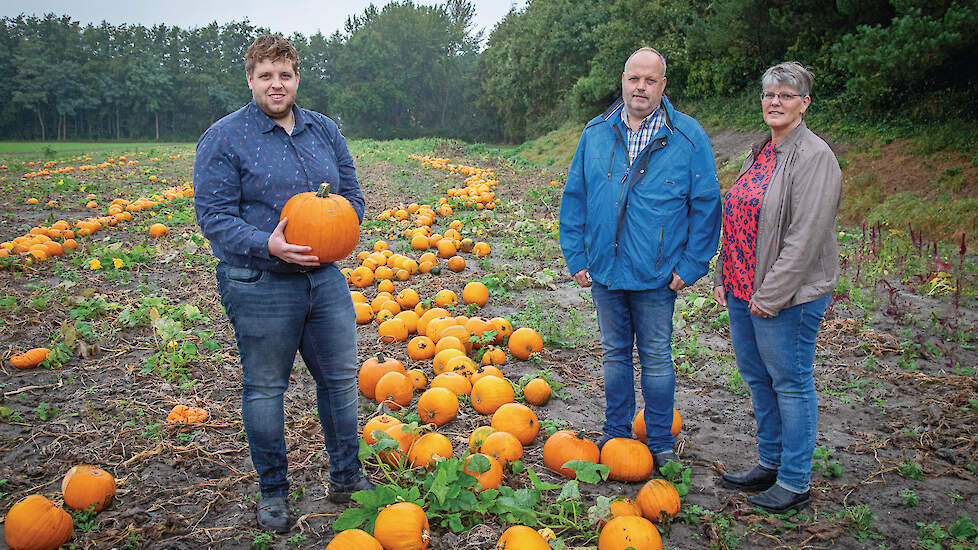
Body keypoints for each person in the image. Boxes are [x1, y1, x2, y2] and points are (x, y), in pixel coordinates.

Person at [193, 34, 373, 533]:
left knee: (339, 380)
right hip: (260, 281)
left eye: (285, 75)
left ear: (297, 79)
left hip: (323, 278)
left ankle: (346, 477)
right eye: (266, 75)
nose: (277, 84)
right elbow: (213, 216)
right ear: (250, 79)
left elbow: (351, 194)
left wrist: (340, 228)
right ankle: (273, 490)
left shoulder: (323, 130)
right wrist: (266, 244)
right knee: (267, 388)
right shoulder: (226, 137)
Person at [559, 47, 722, 475]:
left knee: (655, 356)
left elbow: (707, 205)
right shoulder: (596, 133)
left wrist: (691, 266)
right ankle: (616, 432)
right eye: (635, 79)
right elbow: (574, 197)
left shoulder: (687, 137)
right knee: (614, 355)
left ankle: (661, 441)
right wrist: (576, 255)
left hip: (656, 274)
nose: (641, 88)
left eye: (650, 81)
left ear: (662, 86)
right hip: (606, 271)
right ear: (624, 80)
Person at [713, 61, 841, 514]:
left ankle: (794, 481)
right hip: (744, 289)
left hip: (788, 297)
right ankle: (769, 462)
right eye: (769, 94)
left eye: (786, 95)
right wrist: (724, 277)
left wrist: (770, 298)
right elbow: (739, 217)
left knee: (790, 382)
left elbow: (804, 239)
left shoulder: (815, 157)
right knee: (757, 378)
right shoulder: (760, 152)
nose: (775, 102)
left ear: (804, 104)